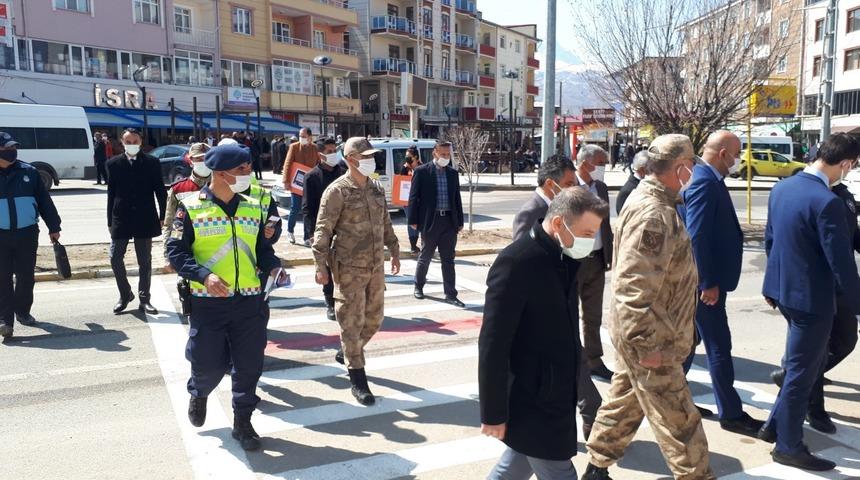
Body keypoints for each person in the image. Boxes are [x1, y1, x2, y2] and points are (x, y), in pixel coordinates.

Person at [582, 134, 715, 480]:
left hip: (646, 332)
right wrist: (647, 344)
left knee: (624, 401)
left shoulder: (651, 200)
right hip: (653, 337)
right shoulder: (654, 215)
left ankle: (596, 469)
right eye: (691, 170)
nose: (693, 177)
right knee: (681, 425)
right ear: (682, 168)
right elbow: (633, 287)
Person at [480, 188, 609, 480]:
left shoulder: (564, 259)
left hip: (557, 392)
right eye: (586, 232)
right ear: (560, 223)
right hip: (533, 399)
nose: (590, 241)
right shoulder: (517, 262)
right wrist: (493, 412)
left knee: (513, 468)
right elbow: (493, 343)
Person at [165, 143, 281, 452]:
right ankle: (199, 391)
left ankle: (243, 422)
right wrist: (204, 275)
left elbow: (262, 251)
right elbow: (175, 251)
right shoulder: (190, 206)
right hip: (208, 302)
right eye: (242, 169)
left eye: (247, 168)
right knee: (207, 363)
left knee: (249, 365)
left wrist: (273, 268)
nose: (248, 174)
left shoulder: (253, 206)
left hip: (250, 300)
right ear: (220, 173)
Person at [759, 133, 860, 471]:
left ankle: (774, 426)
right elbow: (841, 263)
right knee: (802, 373)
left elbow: (770, 241)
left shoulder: (783, 188)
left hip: (786, 293)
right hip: (811, 302)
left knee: (803, 367)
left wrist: (771, 286)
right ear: (844, 164)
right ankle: (788, 446)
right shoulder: (826, 201)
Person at [681, 131, 765, 438]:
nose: (739, 160)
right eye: (737, 153)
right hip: (706, 285)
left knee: (688, 346)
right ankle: (731, 413)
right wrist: (708, 282)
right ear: (722, 154)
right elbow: (698, 235)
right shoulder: (703, 180)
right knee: (718, 346)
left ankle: (677, 402)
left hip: (702, 281)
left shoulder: (704, 177)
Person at [312, 137, 401, 406]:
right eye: (365, 157)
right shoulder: (337, 191)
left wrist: (394, 249)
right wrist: (319, 266)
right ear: (351, 159)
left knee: (374, 319)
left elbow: (385, 221)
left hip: (375, 265)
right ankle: (358, 378)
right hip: (348, 268)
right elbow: (323, 229)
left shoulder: (375, 188)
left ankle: (348, 350)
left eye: (371, 156)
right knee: (351, 322)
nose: (370, 161)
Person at [0, 132, 62, 338]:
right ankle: (5, 320)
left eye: (13, 148)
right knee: (3, 278)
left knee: (26, 276)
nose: (12, 152)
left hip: (27, 233)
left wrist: (54, 226)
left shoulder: (29, 171)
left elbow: (44, 201)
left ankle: (23, 311)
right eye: (6, 149)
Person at [106, 128, 167, 315]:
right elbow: (111, 193)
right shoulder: (113, 163)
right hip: (121, 217)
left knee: (145, 260)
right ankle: (125, 295)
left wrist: (163, 215)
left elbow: (160, 191)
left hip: (144, 217)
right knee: (115, 257)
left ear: (141, 142)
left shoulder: (152, 162)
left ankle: (144, 299)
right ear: (121, 142)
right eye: (128, 141)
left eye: (135, 141)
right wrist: (109, 220)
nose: (131, 144)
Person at [573, 145, 615, 381]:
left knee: (593, 315)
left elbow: (606, 224)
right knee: (569, 313)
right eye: (601, 162)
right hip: (574, 260)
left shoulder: (600, 187)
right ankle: (574, 361)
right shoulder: (568, 186)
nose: (603, 167)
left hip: (597, 259)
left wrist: (609, 255)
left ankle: (594, 360)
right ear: (586, 162)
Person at [409, 140, 466, 307]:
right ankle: (418, 286)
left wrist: (460, 221)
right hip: (430, 221)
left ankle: (451, 294)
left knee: (448, 259)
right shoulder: (421, 172)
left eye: (448, 155)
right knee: (425, 256)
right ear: (435, 153)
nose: (446, 157)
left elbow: (457, 199)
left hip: (449, 221)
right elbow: (413, 198)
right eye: (443, 154)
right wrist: (413, 220)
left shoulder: (452, 174)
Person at [303, 138, 345, 321]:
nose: (333, 154)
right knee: (326, 269)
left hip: (345, 229)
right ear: (320, 155)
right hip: (324, 230)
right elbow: (308, 208)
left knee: (345, 269)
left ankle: (345, 301)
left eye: (334, 150)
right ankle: (330, 302)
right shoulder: (312, 177)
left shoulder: (344, 172)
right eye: (329, 151)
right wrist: (311, 235)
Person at [512, 154, 576, 242]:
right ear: (550, 184)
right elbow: (520, 253)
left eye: (574, 185)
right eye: (569, 184)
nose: (573, 189)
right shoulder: (529, 214)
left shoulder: (560, 207)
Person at [163, 143, 211, 249]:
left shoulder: (221, 186)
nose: (203, 162)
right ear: (190, 161)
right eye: (198, 159)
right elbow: (170, 224)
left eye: (206, 158)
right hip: (186, 246)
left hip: (214, 247)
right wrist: (168, 255)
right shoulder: (178, 189)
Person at [282, 128, 320, 245]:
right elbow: (287, 164)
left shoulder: (315, 148)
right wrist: (286, 181)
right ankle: (290, 231)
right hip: (295, 182)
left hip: (309, 183)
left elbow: (319, 163)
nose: (301, 138)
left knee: (307, 210)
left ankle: (306, 237)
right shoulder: (294, 147)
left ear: (310, 137)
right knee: (295, 208)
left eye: (303, 136)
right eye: (300, 136)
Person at [400, 146, 422, 253]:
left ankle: (422, 243)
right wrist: (405, 168)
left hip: (419, 200)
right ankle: (413, 245)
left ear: (415, 157)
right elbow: (401, 182)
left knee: (420, 221)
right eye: (406, 157)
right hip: (407, 201)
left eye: (409, 157)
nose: (407, 159)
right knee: (411, 221)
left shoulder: (422, 167)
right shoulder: (405, 168)